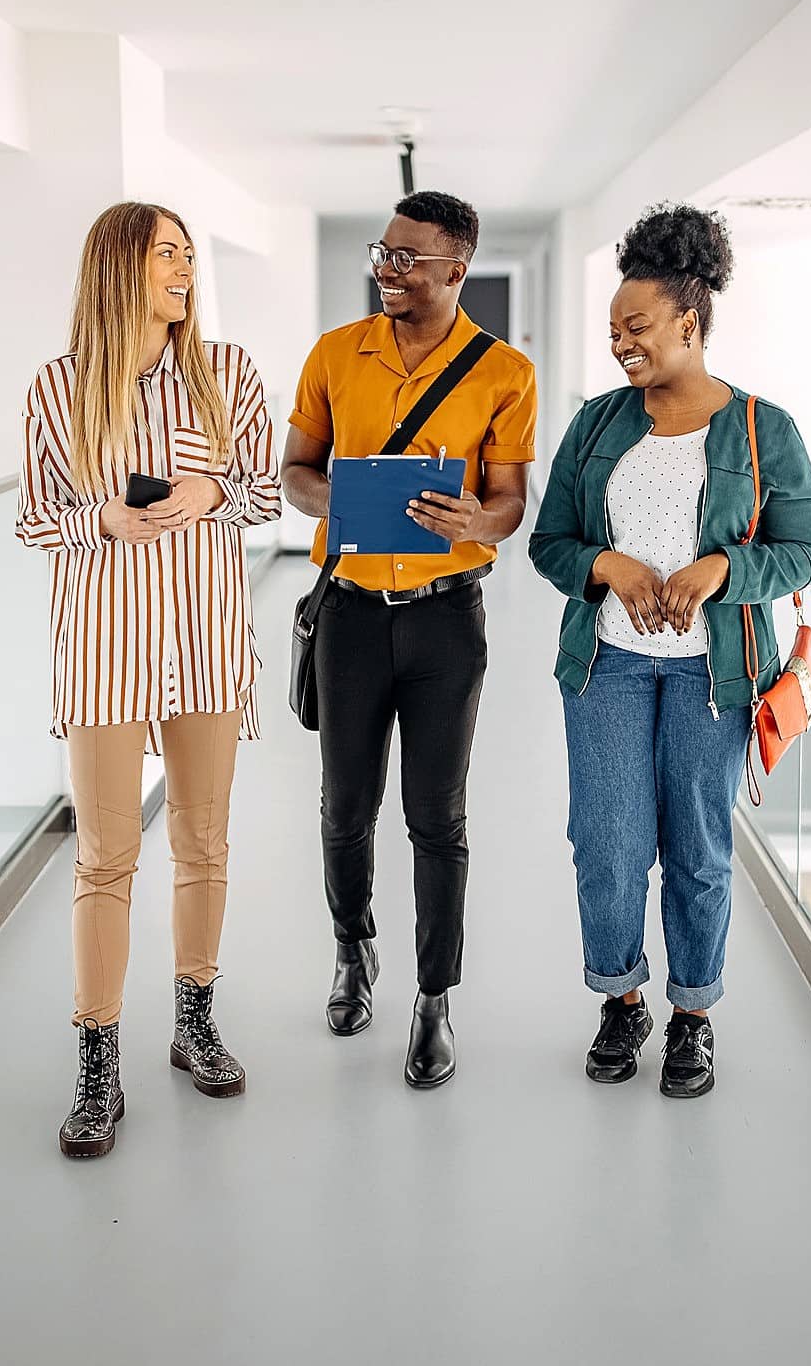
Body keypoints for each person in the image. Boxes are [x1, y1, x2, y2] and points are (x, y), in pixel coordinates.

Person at [528, 203, 811, 1098]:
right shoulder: (596, 425)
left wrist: (717, 572)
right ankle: (621, 1001)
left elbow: (805, 550)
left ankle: (692, 1015)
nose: (621, 342)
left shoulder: (762, 429)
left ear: (688, 323)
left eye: (638, 326)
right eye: (614, 327)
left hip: (715, 675)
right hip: (607, 666)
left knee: (697, 851)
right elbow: (550, 544)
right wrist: (608, 564)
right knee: (608, 845)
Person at [16, 202, 280, 1157]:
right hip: (106, 648)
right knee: (105, 855)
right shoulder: (59, 389)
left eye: (187, 256)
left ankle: (194, 1021)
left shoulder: (229, 377)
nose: (182, 270)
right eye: (165, 253)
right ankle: (97, 1064)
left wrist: (211, 490)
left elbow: (265, 490)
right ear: (119, 265)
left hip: (206, 642)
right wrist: (103, 522)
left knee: (203, 840)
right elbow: (34, 518)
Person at [282, 190, 537, 1089]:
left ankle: (435, 1000)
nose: (386, 269)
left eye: (406, 258)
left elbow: (509, 503)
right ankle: (354, 952)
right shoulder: (332, 355)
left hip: (444, 618)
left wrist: (480, 515)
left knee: (438, 818)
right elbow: (295, 474)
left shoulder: (505, 372)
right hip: (349, 613)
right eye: (381, 253)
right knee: (344, 809)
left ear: (454, 269)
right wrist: (341, 496)